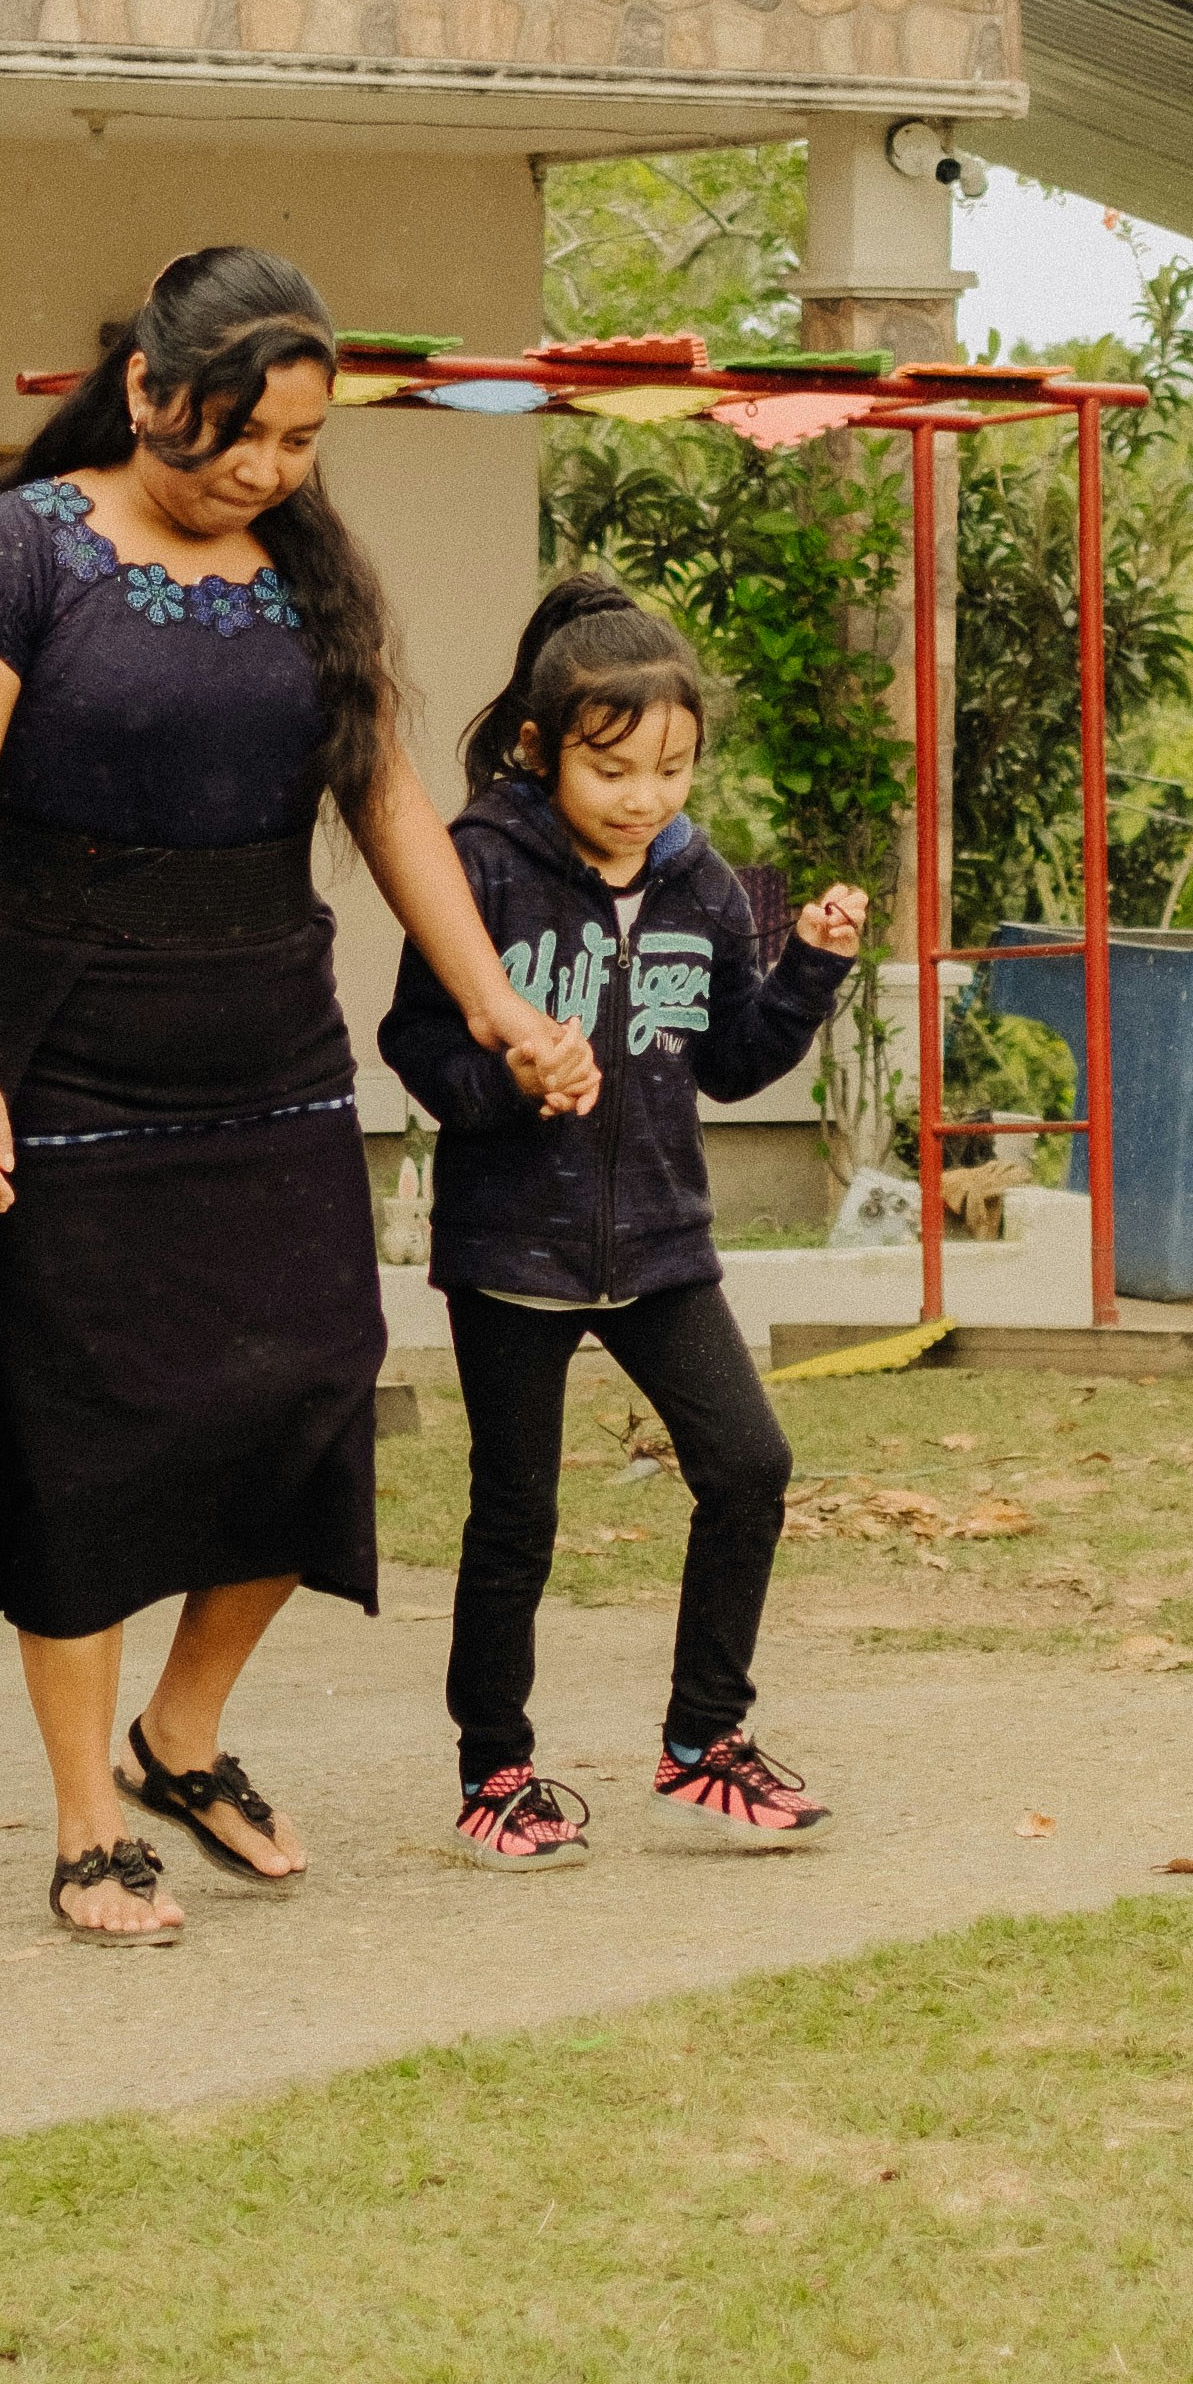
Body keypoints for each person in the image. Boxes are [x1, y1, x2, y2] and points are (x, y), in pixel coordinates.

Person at [0, 245, 600, 1948]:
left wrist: (500, 1003)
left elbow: (382, 810)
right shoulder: (14, 557)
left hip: (263, 1043)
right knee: (78, 1433)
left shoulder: (305, 571)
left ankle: (181, 1733)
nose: (267, 473)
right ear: (147, 389)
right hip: (64, 1035)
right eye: (239, 437)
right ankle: (86, 1826)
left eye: (296, 442)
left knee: (311, 1390)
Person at [378, 569, 867, 1869]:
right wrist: (508, 1085)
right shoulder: (478, 865)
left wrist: (809, 967)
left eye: (670, 768)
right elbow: (415, 1040)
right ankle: (496, 1775)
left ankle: (703, 1743)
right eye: (612, 770)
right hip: (510, 1249)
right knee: (514, 1518)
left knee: (749, 1467)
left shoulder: (701, 884)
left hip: (656, 1242)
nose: (644, 797)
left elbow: (728, 1060)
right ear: (541, 752)